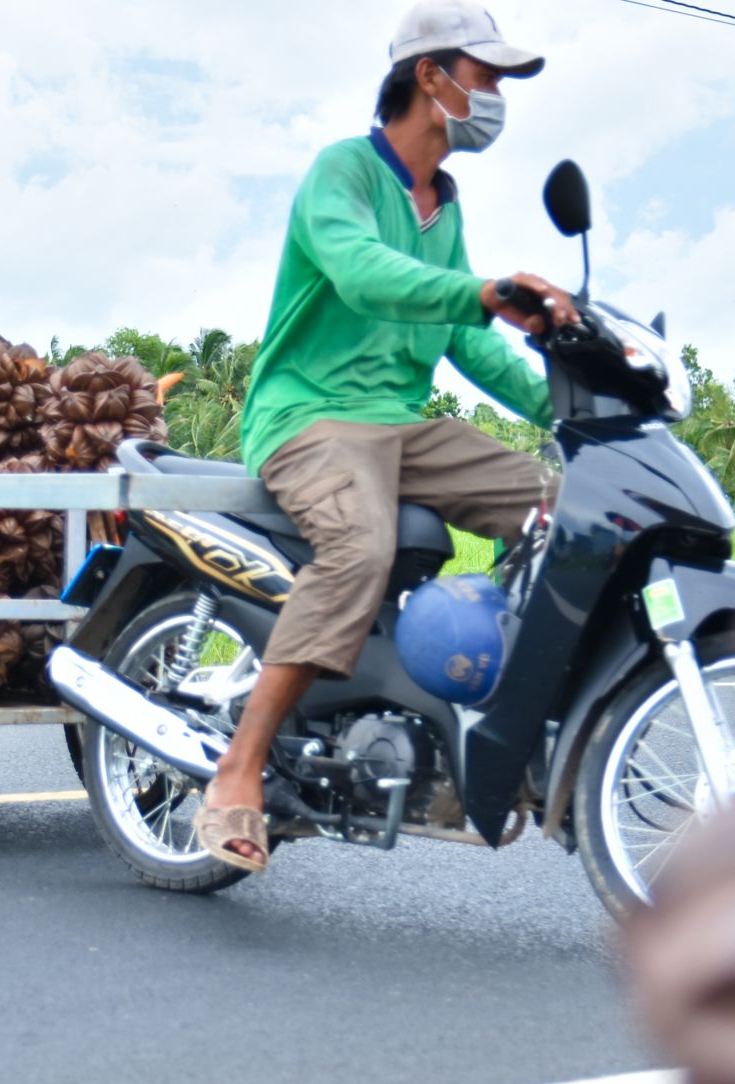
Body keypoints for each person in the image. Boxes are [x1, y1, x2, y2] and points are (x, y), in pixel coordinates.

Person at [192, 0, 580, 871]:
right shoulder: (345, 173)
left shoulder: (445, 202)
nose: (496, 95)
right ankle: (238, 767)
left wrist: (565, 401)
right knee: (358, 548)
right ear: (430, 76)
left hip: (400, 425)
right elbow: (367, 275)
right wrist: (478, 290)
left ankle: (508, 724)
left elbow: (468, 343)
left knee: (564, 505)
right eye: (486, 76)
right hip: (310, 417)